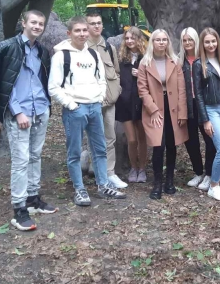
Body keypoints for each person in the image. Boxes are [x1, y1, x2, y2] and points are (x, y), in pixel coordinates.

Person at [0, 10, 58, 232]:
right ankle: (19, 209)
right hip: (20, 113)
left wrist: (46, 107)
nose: (37, 26)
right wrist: (17, 112)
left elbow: (42, 80)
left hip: (40, 110)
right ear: (24, 23)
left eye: (41, 23)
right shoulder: (6, 48)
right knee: (21, 160)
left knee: (35, 155)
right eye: (33, 22)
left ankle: (33, 199)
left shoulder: (42, 51)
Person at [48, 16, 126, 206]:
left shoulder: (93, 54)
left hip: (94, 107)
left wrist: (98, 98)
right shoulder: (61, 56)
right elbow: (53, 87)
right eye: (78, 30)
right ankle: (80, 189)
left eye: (84, 30)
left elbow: (101, 79)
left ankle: (103, 185)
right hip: (75, 109)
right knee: (74, 151)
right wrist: (72, 104)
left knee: (100, 149)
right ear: (69, 33)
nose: (82, 34)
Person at [137, 29, 188, 199]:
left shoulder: (175, 61)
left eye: (164, 39)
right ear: (152, 42)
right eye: (158, 40)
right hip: (154, 108)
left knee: (172, 145)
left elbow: (182, 89)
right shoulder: (145, 63)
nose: (161, 42)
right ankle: (157, 183)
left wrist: (182, 112)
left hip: (173, 107)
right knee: (158, 145)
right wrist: (152, 110)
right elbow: (142, 89)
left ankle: (170, 181)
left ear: (168, 42)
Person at [193, 28, 220, 202]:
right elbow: (198, 94)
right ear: (202, 44)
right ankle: (213, 185)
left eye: (213, 41)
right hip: (211, 109)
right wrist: (205, 120)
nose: (211, 45)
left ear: (217, 42)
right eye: (207, 42)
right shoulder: (198, 64)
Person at [86, 12, 127, 189]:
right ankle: (96, 170)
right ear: (86, 26)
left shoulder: (109, 47)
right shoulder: (81, 47)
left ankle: (110, 173)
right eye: (92, 23)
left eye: (99, 23)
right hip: (89, 101)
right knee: (93, 137)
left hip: (109, 101)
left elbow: (116, 71)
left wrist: (116, 90)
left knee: (110, 137)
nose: (96, 26)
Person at [180, 27, 217, 189]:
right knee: (191, 140)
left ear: (196, 40)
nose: (188, 43)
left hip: (204, 104)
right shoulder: (179, 62)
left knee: (210, 139)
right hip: (187, 105)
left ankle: (209, 174)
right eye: (184, 40)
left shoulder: (204, 60)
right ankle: (198, 172)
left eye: (190, 39)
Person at [115, 27, 148, 183]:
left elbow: (154, 79)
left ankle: (142, 169)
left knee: (142, 139)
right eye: (127, 38)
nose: (129, 41)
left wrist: (141, 74)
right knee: (132, 140)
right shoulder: (121, 58)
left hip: (141, 103)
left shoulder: (146, 58)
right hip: (125, 103)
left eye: (132, 38)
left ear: (139, 39)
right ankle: (133, 167)